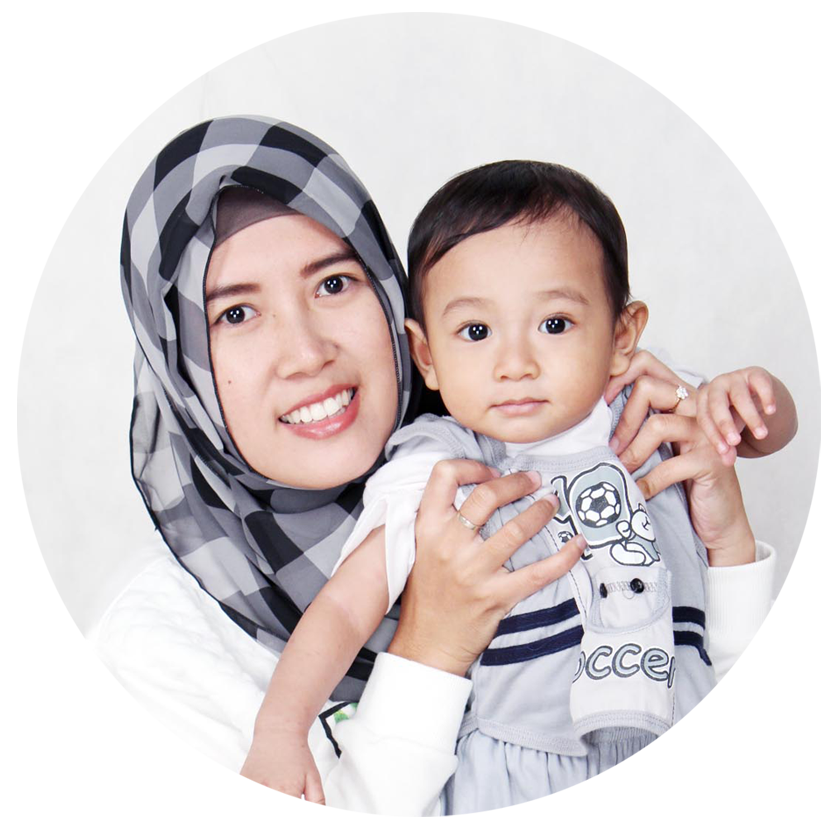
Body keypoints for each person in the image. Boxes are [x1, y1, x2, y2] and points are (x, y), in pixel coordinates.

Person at [116, 116, 783, 816]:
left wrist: (725, 505)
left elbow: (721, 684)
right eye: (235, 314)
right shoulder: (158, 647)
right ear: (179, 361)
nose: (307, 353)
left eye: (335, 283)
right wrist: (428, 644)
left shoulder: (572, 419)